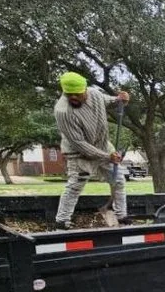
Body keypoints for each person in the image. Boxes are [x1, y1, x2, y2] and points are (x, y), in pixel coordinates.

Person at [53, 71, 131, 230]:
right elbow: (79, 143)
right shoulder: (63, 111)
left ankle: (121, 216)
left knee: (118, 180)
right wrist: (107, 156)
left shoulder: (95, 94)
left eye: (78, 94)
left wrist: (119, 100)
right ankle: (62, 220)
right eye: (69, 94)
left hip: (103, 145)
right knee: (75, 185)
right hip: (79, 153)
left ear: (85, 90)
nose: (73, 97)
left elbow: (108, 101)